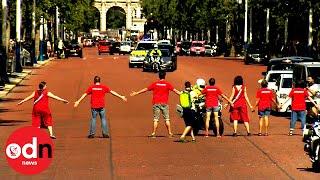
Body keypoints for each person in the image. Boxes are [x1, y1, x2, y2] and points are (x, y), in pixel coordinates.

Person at [130, 71, 181, 138]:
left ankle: (153, 133)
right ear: (164, 76)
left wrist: (136, 93)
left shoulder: (155, 84)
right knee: (167, 119)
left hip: (156, 103)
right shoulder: (167, 84)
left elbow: (146, 89)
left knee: (156, 119)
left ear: (159, 76)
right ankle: (170, 133)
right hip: (164, 103)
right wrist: (184, 94)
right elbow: (176, 91)